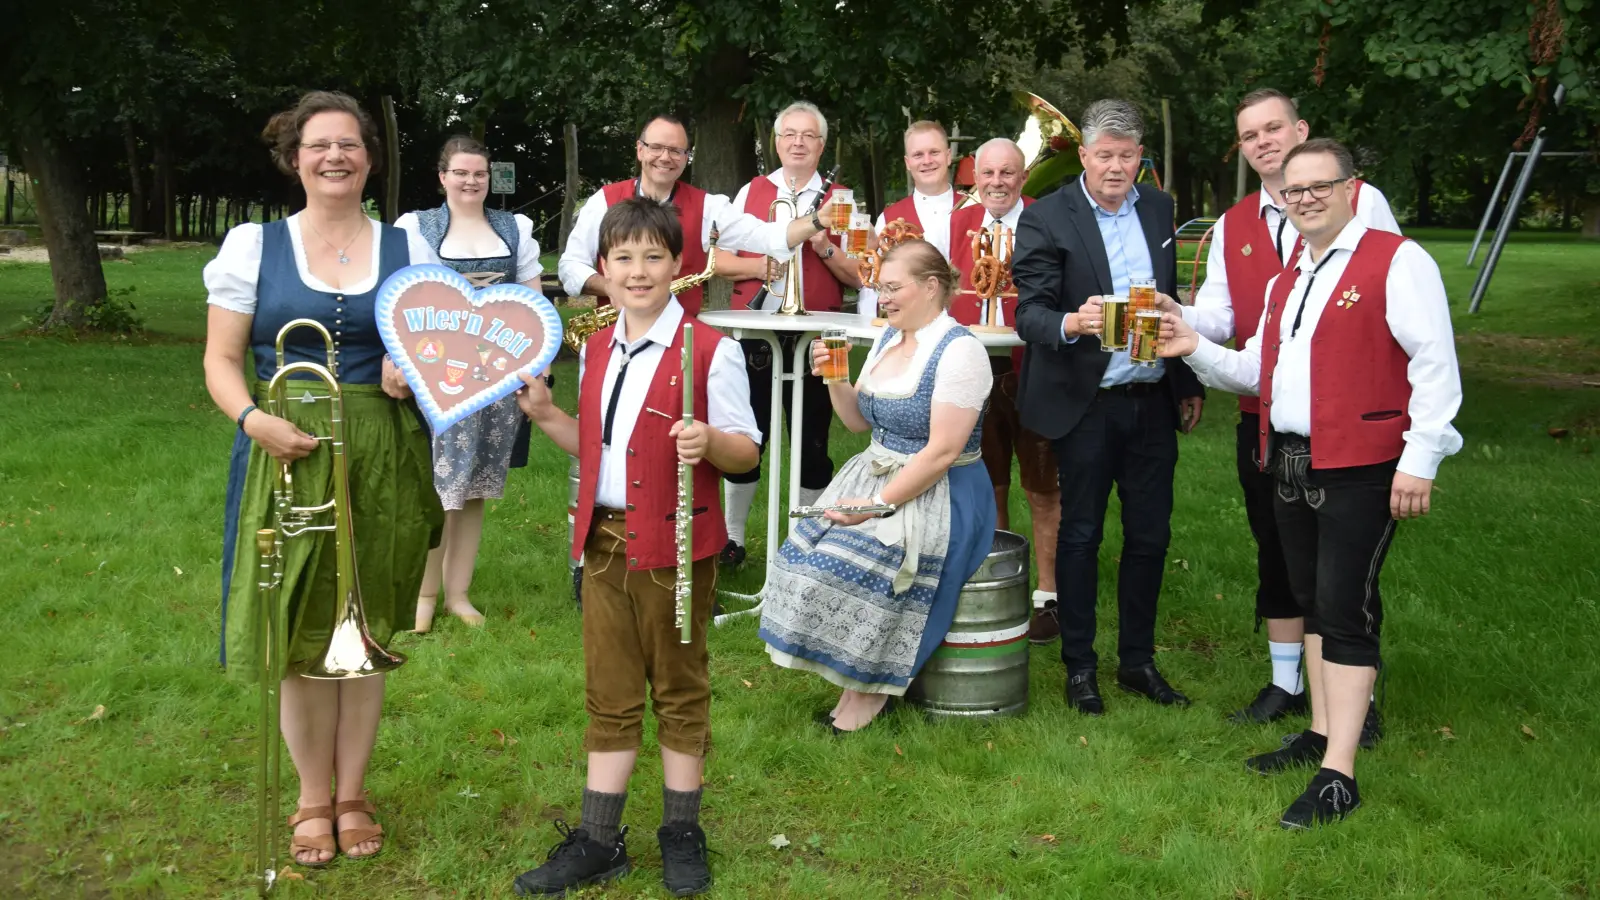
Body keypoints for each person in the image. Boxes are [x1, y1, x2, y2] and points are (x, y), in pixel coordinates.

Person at [1157, 138, 1461, 827]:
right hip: (1290, 460)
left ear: (1353, 188)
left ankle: (1339, 775)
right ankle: (1323, 733)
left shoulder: (1398, 260)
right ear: (1283, 200)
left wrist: (1421, 458)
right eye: (1295, 191)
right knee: (1309, 599)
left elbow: (1436, 367)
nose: (1307, 200)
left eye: (1322, 186)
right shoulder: (1289, 273)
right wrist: (1193, 347)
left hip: (1362, 463)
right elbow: (1259, 371)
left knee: (1343, 608)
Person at [205, 91, 442, 866]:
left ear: (370, 159)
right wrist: (250, 419)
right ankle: (312, 796)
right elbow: (219, 359)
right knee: (300, 626)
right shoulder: (252, 245)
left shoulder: (409, 248)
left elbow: (436, 351)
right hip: (287, 449)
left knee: (362, 624)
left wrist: (412, 373)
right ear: (294, 158)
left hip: (380, 453)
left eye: (349, 145)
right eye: (319, 145)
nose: (335, 156)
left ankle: (354, 791)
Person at [510, 197, 760, 896]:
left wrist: (710, 441)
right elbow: (595, 451)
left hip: (676, 545)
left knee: (679, 690)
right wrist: (547, 415)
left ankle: (681, 829)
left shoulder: (714, 351)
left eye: (654, 257)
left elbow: (745, 455)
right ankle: (599, 841)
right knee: (609, 692)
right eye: (624, 258)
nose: (639, 270)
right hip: (603, 545)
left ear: (678, 267)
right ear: (604, 269)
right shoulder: (596, 347)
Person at [1168, 89, 1402, 726]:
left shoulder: (1361, 200)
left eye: (1274, 128)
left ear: (1300, 129)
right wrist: (1173, 316)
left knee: (1344, 563)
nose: (1264, 141)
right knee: (1278, 550)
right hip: (1263, 412)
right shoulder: (1233, 223)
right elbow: (1219, 315)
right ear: (1242, 149)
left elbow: (1390, 293)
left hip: (1345, 418)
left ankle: (1359, 694)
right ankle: (1286, 684)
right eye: (1250, 135)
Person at [1012, 99, 1206, 716]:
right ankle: (1079, 667)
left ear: (1140, 156)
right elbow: (1029, 313)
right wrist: (1073, 320)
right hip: (1086, 402)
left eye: (1128, 155)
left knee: (1150, 535)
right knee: (1082, 534)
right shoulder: (1046, 215)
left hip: (1150, 396)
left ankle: (1138, 662)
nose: (1117, 166)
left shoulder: (1159, 206)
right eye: (1105, 155)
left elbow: (1170, 299)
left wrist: (1186, 382)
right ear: (1085, 156)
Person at [758, 239, 997, 734]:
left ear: (931, 287)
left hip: (943, 492)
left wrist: (873, 506)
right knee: (805, 558)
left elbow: (942, 452)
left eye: (892, 288)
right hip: (877, 471)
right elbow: (856, 424)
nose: (882, 298)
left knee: (865, 565)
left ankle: (870, 688)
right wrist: (833, 377)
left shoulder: (962, 351)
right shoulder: (888, 338)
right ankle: (855, 676)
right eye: (880, 288)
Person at [395, 136, 542, 632]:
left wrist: (536, 363)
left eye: (479, 173)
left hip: (498, 375)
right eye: (460, 172)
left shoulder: (515, 229)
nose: (471, 181)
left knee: (476, 485)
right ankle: (423, 594)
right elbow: (404, 302)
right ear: (443, 177)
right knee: (440, 486)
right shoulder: (416, 228)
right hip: (440, 374)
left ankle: (458, 593)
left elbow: (531, 301)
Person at [717, 101, 863, 568]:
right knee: (747, 436)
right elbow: (716, 258)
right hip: (755, 329)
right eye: (789, 135)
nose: (798, 143)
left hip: (819, 330)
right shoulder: (751, 191)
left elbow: (862, 276)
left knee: (813, 440)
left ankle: (805, 542)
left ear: (822, 145)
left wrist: (821, 246)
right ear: (776, 143)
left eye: (808, 136)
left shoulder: (842, 198)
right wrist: (760, 264)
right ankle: (731, 539)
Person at [945, 137, 1063, 644]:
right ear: (975, 176)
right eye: (987, 173)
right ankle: (999, 580)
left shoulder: (1047, 218)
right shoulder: (958, 223)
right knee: (987, 481)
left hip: (1034, 366)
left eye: (1007, 173)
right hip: (975, 369)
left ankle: (1049, 596)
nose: (996, 182)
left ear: (1022, 176)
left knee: (1042, 486)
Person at [558, 114, 837, 315]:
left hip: (681, 341)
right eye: (656, 147)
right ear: (640, 150)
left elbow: (765, 235)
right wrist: (611, 287)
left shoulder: (709, 207)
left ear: (686, 157)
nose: (665, 157)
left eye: (676, 151)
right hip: (613, 332)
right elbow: (570, 266)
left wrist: (817, 221)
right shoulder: (603, 201)